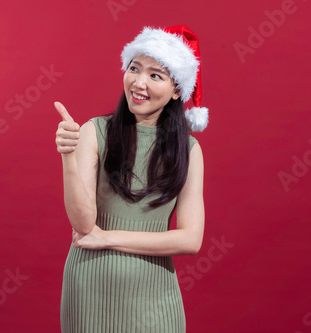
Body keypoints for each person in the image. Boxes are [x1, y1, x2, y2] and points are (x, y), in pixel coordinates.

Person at [55, 25, 208, 333]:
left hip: (154, 296)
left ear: (177, 89)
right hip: (90, 289)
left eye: (155, 75)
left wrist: (108, 238)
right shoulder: (94, 132)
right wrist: (68, 156)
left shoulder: (189, 150)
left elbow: (190, 240)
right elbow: (84, 226)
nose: (139, 83)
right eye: (134, 68)